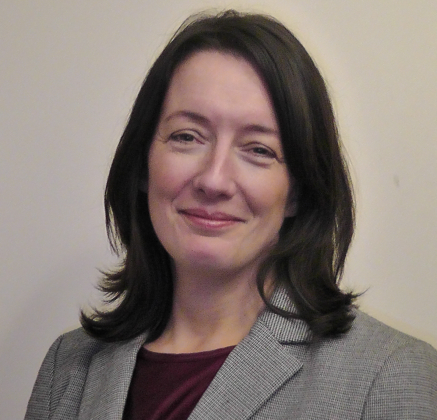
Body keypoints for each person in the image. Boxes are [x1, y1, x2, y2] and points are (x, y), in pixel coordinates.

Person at [25, 10, 437, 420]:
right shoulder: (68, 369)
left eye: (258, 149)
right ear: (143, 164)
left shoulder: (388, 374)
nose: (214, 179)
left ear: (298, 191)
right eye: (187, 137)